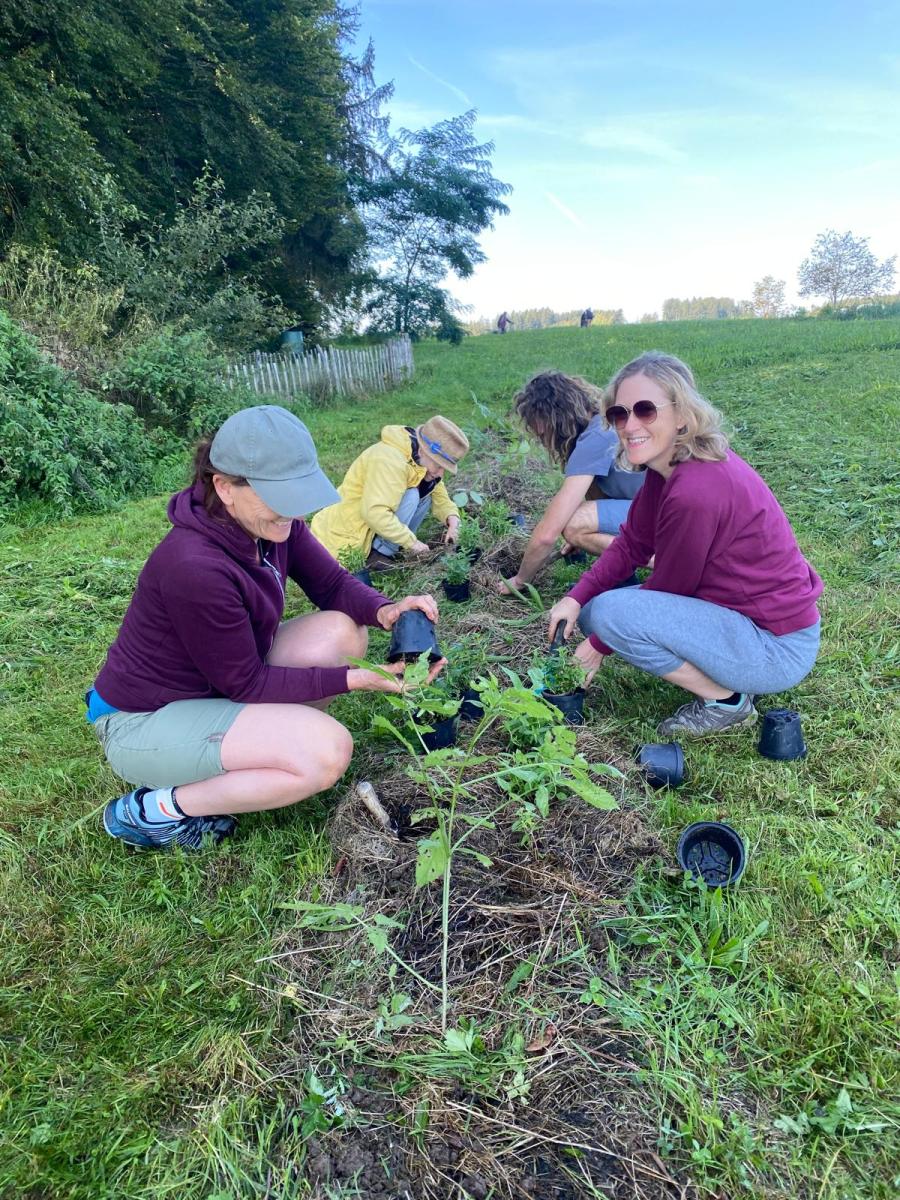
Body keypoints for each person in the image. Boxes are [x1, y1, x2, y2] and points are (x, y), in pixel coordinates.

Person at [89, 404, 444, 852]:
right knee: (326, 752)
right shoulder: (193, 566)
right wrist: (359, 679)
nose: (291, 510)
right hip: (145, 721)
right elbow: (246, 682)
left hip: (216, 685)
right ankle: (152, 811)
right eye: (277, 494)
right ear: (225, 487)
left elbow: (332, 583)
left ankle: (268, 746)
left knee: (345, 631)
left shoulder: (272, 524)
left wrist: (388, 610)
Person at [547, 352, 823, 737]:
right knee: (595, 609)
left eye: (646, 410)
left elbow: (671, 587)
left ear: (681, 415)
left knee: (610, 616)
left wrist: (597, 646)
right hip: (746, 623)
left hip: (776, 648)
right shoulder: (669, 470)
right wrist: (575, 598)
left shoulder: (695, 490)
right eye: (619, 414)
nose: (630, 425)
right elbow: (632, 544)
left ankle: (726, 701)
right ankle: (728, 674)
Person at [498, 371, 645, 596]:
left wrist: (520, 580)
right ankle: (622, 579)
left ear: (554, 416)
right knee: (581, 520)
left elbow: (548, 533)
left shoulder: (595, 438)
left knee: (574, 523)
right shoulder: (601, 424)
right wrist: (595, 530)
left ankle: (665, 562)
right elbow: (598, 497)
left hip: (670, 516)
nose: (539, 434)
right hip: (660, 508)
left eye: (539, 426)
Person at [311, 416, 469, 569]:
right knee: (413, 495)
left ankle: (388, 547)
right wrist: (412, 543)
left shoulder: (421, 461)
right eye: (440, 466)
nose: (441, 473)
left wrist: (453, 519)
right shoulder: (389, 461)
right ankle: (377, 554)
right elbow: (375, 513)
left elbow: (441, 498)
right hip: (347, 534)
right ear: (425, 451)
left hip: (371, 523)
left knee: (427, 496)